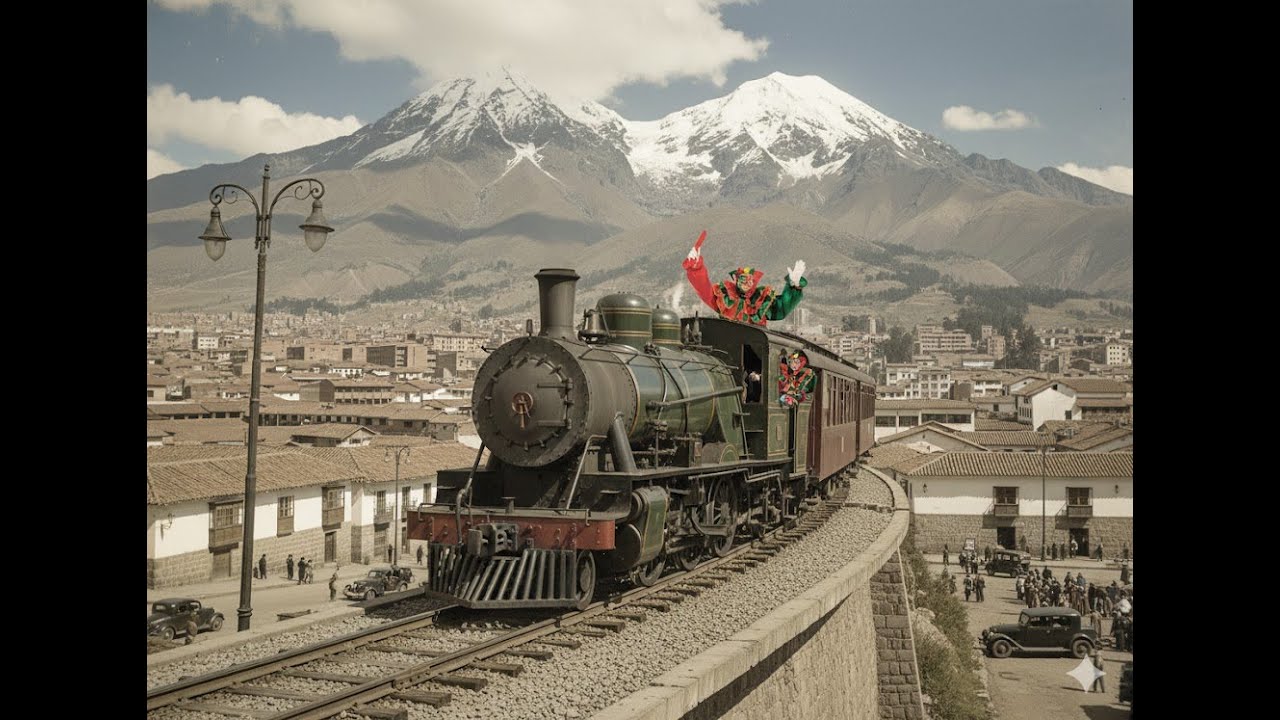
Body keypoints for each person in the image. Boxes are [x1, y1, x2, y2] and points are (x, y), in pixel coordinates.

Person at [682, 230, 808, 327]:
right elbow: (705, 290)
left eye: (749, 280)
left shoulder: (761, 300)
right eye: (742, 279)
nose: (746, 283)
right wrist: (696, 267)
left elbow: (781, 309)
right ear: (736, 280)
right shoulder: (724, 297)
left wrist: (794, 287)